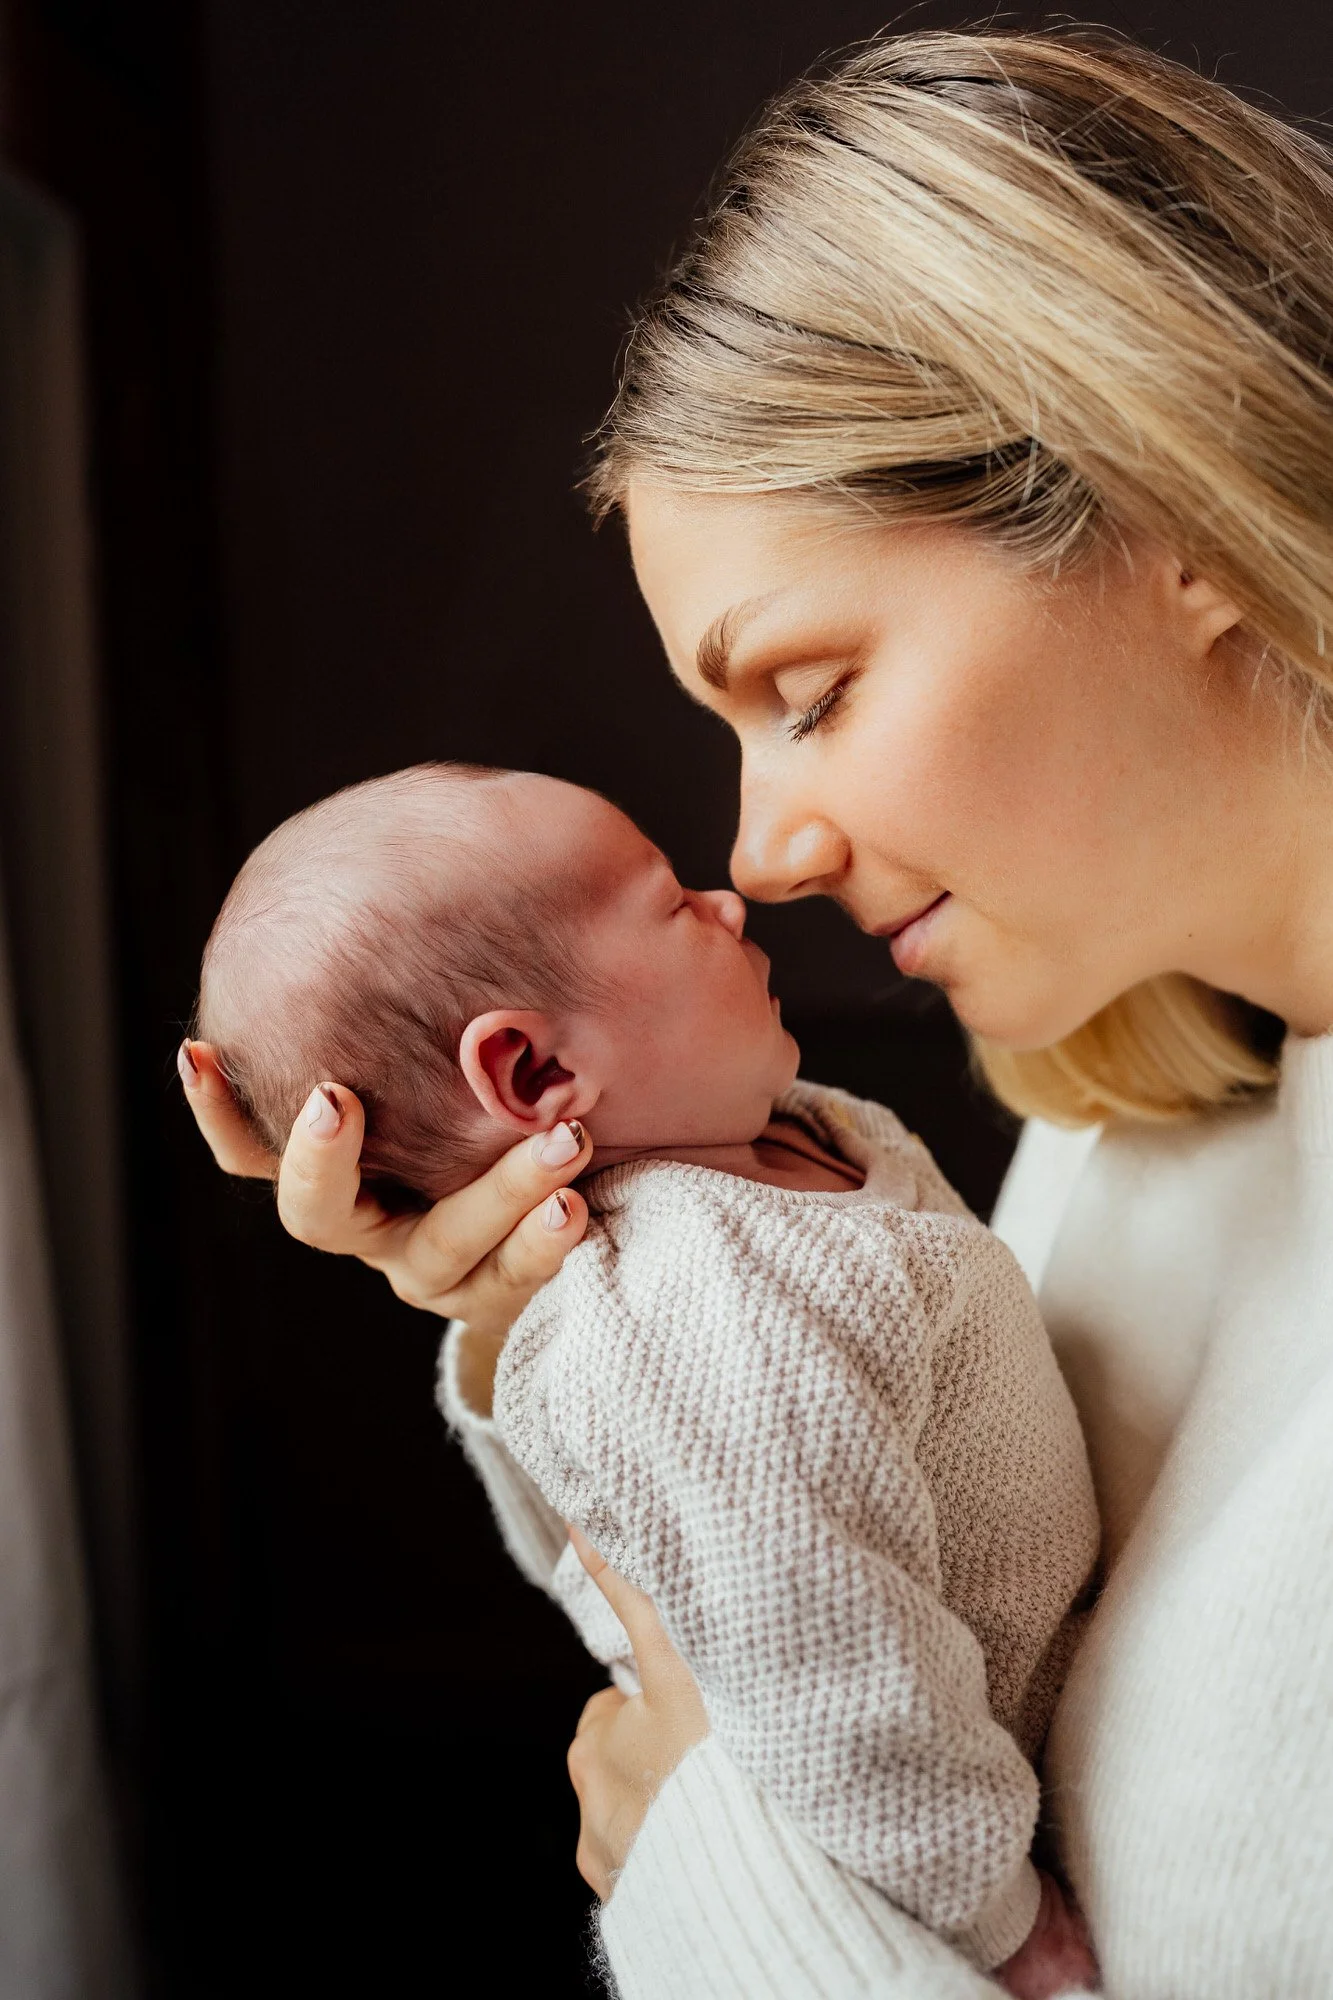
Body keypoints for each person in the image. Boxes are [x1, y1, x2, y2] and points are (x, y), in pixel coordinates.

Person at [180, 25, 1333, 1998]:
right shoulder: (1112, 1131)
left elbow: (757, 1745)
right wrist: (561, 1324)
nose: (764, 851)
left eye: (806, 690)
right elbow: (813, 1586)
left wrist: (704, 1841)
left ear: (1176, 519)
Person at [194, 760, 1098, 1990]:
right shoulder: (695, 1301)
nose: (731, 899)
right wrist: (1007, 1922)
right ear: (530, 1075)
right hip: (920, 1851)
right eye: (673, 902)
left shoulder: (788, 1134)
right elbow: (828, 1659)